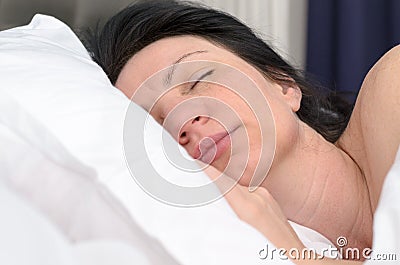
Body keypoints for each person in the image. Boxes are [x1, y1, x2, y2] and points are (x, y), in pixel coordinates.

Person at [84, 0, 400, 263]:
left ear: (282, 84)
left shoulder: (392, 88)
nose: (183, 120)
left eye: (197, 79)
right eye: (156, 128)